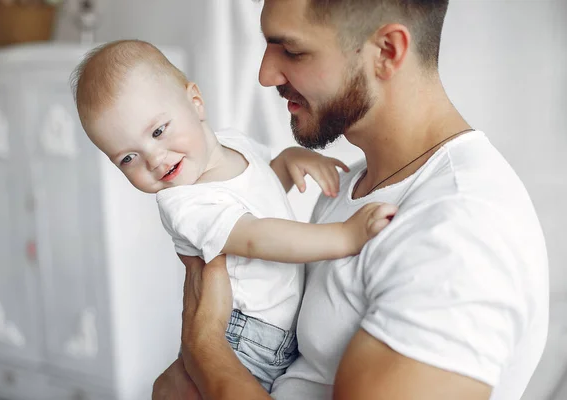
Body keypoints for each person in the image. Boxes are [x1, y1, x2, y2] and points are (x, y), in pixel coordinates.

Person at [153, 0, 549, 399]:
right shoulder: (358, 180)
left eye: (292, 51)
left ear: (387, 52)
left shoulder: (461, 234)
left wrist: (205, 348)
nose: (265, 74)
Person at [70, 40, 397, 392]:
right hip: (246, 338)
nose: (153, 158)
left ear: (195, 103)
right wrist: (344, 237)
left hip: (274, 332)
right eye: (128, 158)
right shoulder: (184, 204)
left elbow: (259, 192)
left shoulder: (233, 144)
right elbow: (255, 237)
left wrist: (288, 163)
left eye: (158, 131)